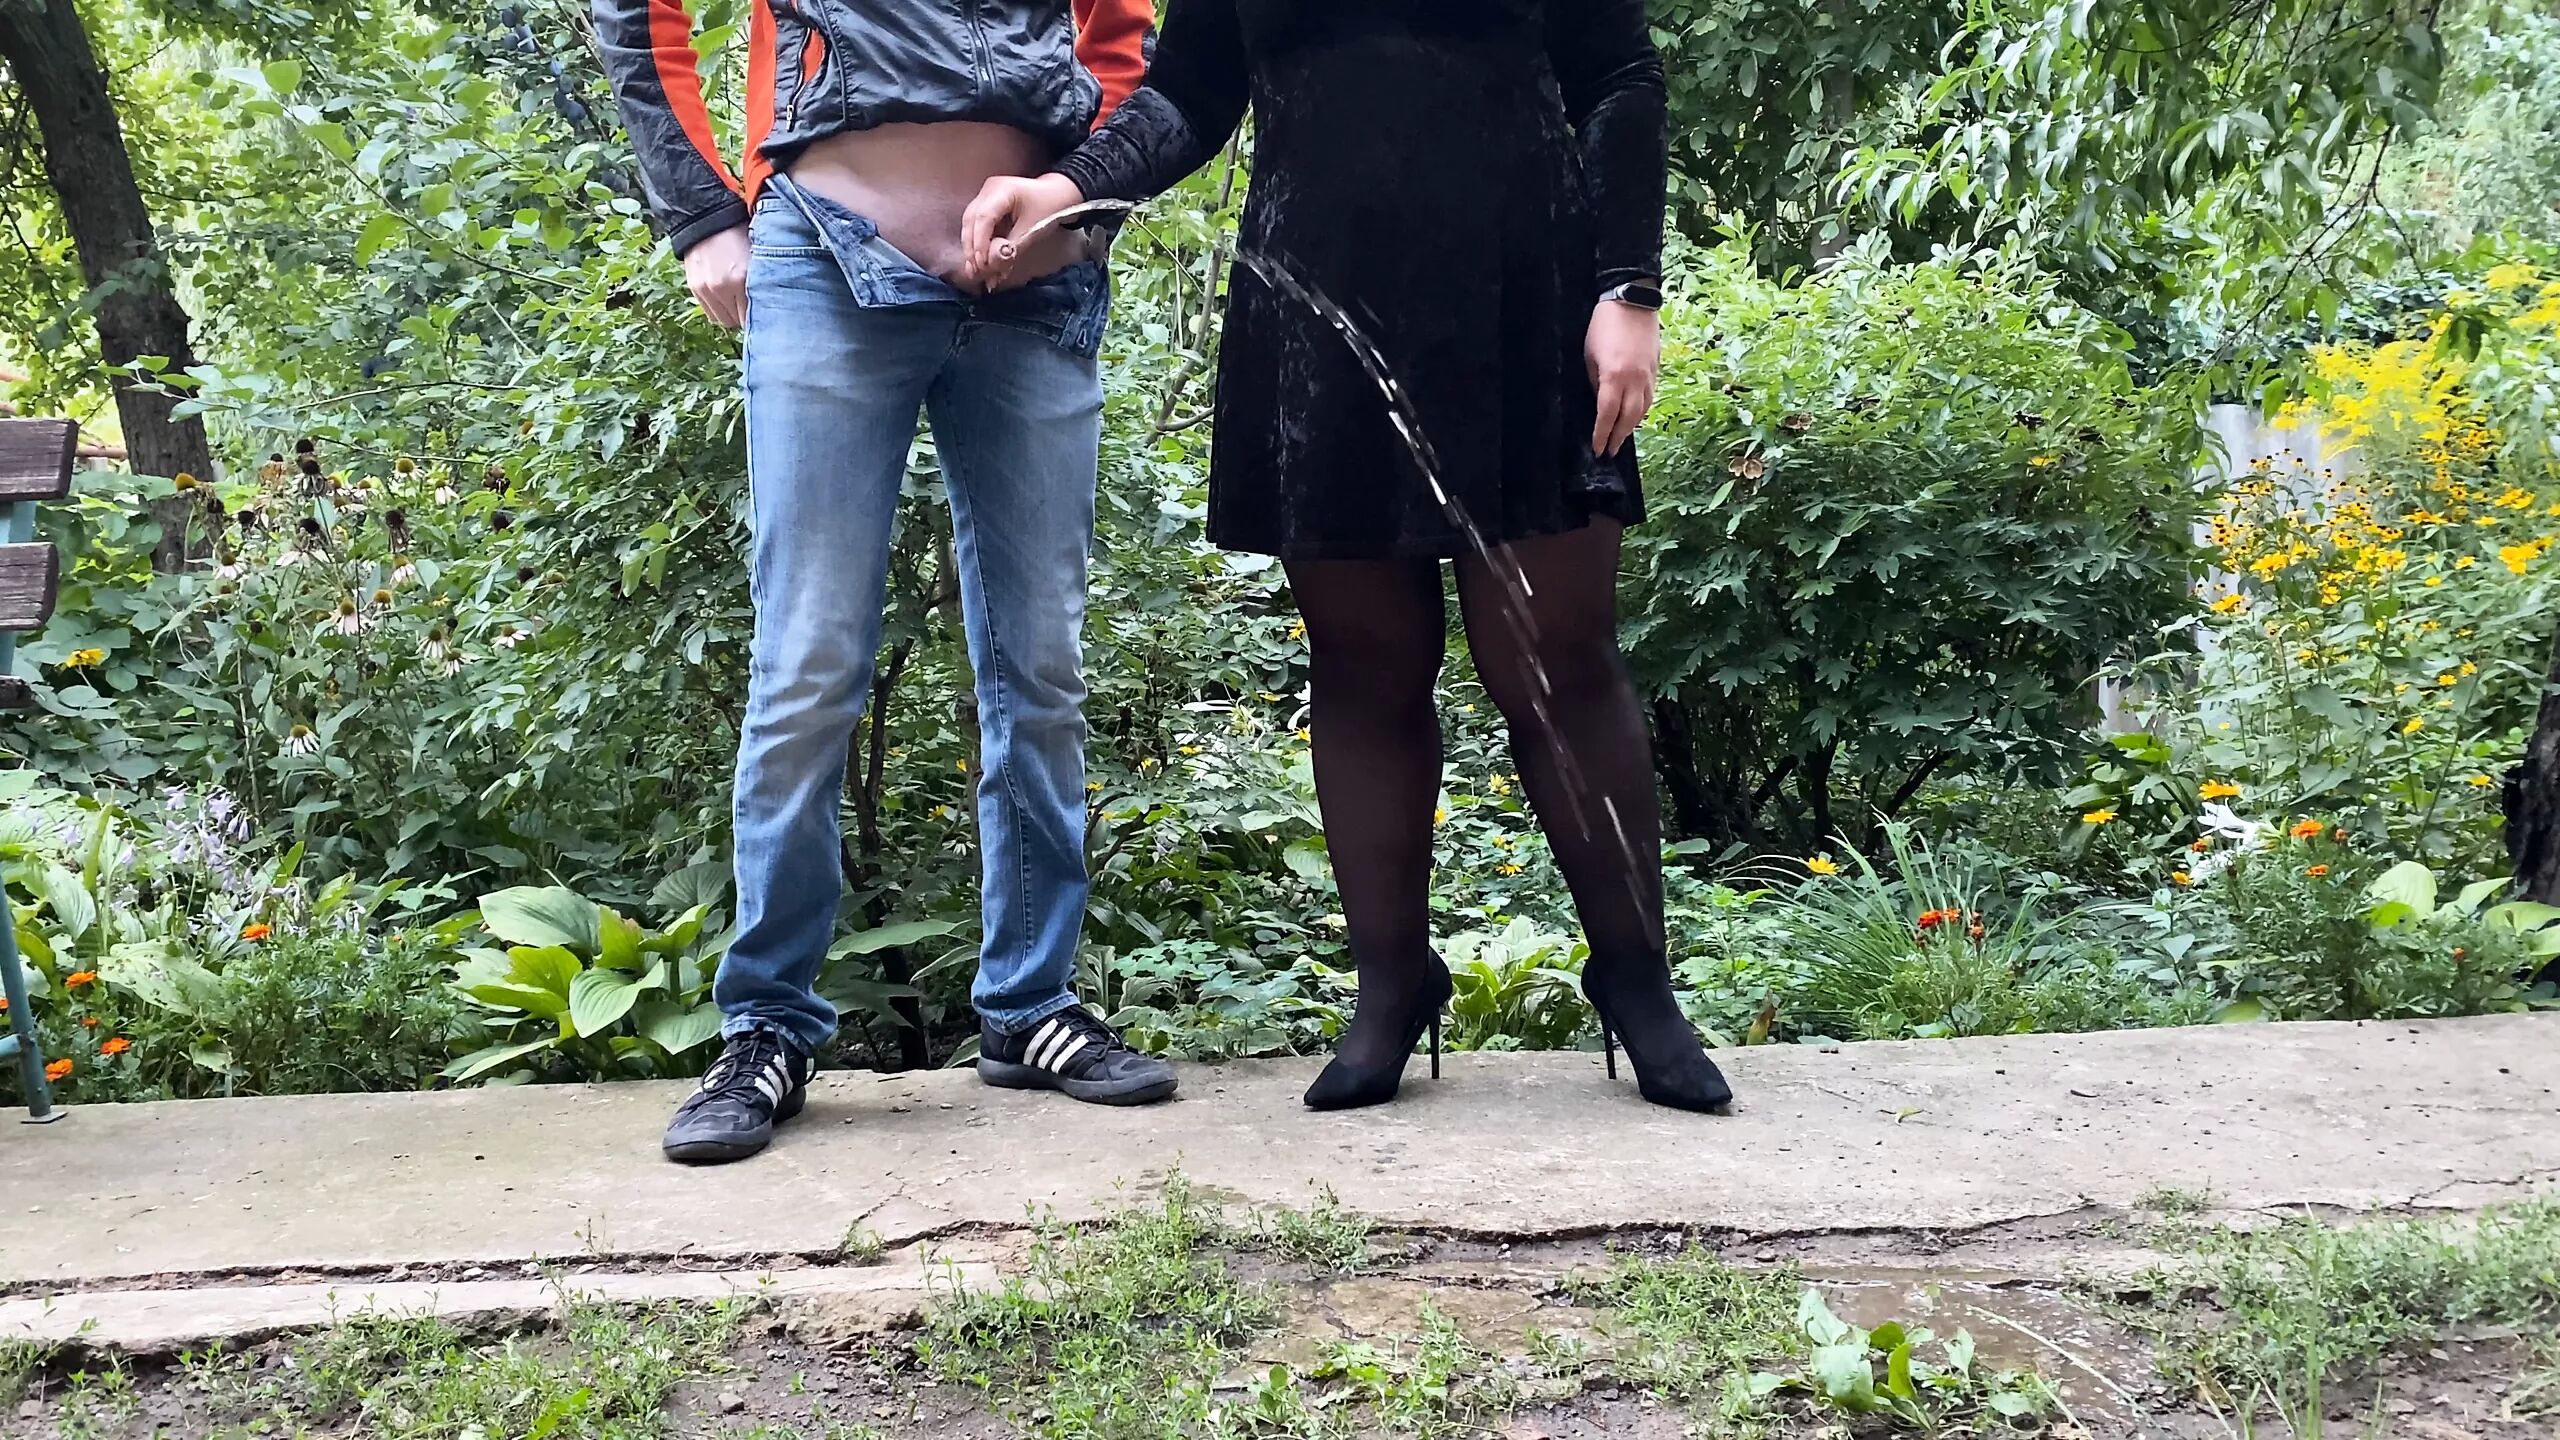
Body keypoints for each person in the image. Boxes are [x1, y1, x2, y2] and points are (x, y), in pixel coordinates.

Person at [963, 0, 1732, 1112]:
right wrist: (1066, 189)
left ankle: (1635, 979)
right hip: (1317, 305)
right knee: (1366, 663)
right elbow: (1187, 95)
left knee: (1555, 657)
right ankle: (1392, 984)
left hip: (1526, 292)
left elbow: (1619, 77)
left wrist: (1628, 288)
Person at [593, 0, 1181, 1165]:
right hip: (822, 251)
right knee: (807, 662)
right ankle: (765, 1024)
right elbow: (631, 10)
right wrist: (701, 214)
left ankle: (1030, 1005)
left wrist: (1081, 205)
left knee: (1041, 664)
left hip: (1035, 279)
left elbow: (1120, 41)